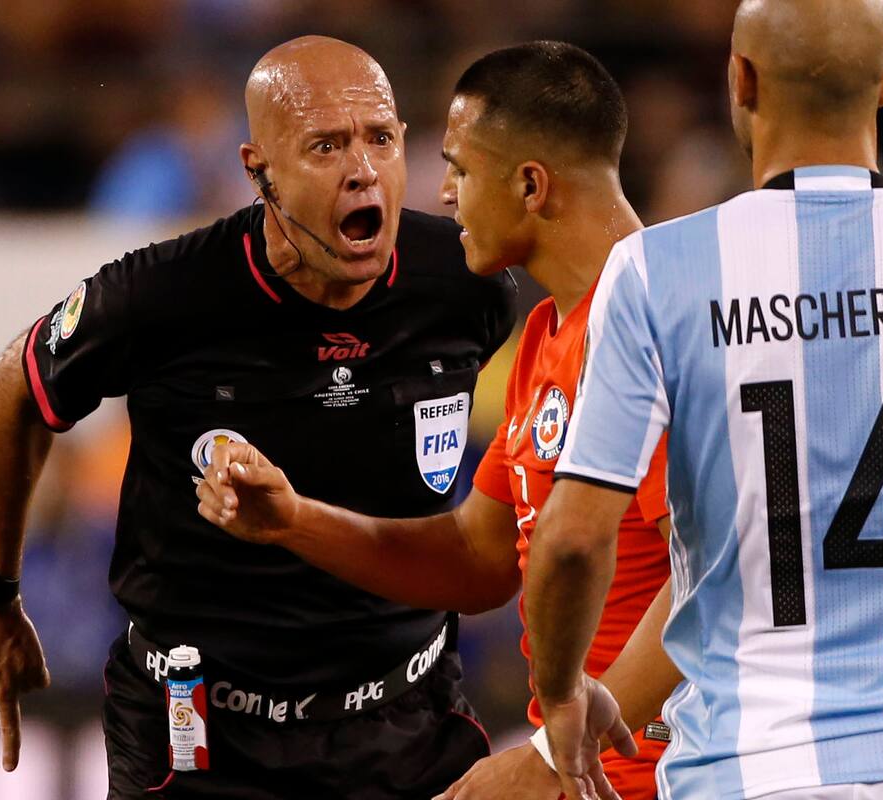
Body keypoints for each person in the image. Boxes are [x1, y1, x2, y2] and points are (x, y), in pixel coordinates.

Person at [0, 35, 515, 800]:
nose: (362, 170)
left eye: (380, 139)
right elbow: (15, 387)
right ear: (259, 171)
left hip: (406, 726)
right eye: (325, 146)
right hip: (203, 739)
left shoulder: (467, 284)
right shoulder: (163, 295)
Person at [195, 42, 683, 800]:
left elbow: (710, 574)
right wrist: (294, 521)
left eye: (460, 169)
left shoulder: (661, 324)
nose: (445, 194)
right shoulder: (548, 334)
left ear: (530, 185)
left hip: (668, 777)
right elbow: (477, 556)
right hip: (587, 776)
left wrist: (546, 758)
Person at [525, 2, 883, 799]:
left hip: (744, 766)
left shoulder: (656, 270)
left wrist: (561, 694)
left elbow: (574, 539)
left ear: (741, 79)